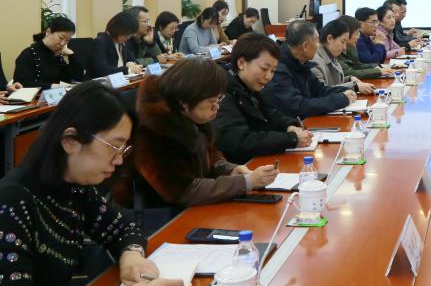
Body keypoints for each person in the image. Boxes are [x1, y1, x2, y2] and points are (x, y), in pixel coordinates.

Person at [0, 81, 184, 286]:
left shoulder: (75, 185)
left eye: (123, 149)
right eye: (114, 147)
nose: (119, 160)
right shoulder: (12, 201)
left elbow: (123, 228)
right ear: (70, 141)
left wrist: (132, 257)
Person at [132, 57, 278, 206]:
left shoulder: (192, 118)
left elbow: (211, 156)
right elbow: (184, 191)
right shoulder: (152, 133)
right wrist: (246, 182)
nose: (217, 107)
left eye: (218, 99)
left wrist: (231, 171)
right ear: (184, 100)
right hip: (170, 215)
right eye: (211, 101)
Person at [213, 33, 314, 163]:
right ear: (241, 63)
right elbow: (240, 141)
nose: (268, 77)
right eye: (264, 69)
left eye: (272, 71)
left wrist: (289, 126)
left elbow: (271, 114)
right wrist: (291, 139)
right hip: (243, 167)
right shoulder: (221, 93)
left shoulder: (251, 85)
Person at [263, 21, 357, 119]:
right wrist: (342, 99)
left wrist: (347, 90)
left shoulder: (301, 62)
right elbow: (299, 107)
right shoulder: (279, 70)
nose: (319, 45)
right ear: (305, 46)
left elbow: (319, 90)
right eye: (317, 41)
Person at [13, 15, 86, 87]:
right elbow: (22, 83)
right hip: (36, 95)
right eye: (61, 37)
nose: (63, 43)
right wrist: (52, 86)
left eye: (67, 40)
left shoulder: (57, 55)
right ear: (48, 32)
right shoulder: (28, 54)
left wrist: (71, 55)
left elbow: (77, 78)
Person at [310, 18, 376, 94]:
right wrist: (354, 86)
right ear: (330, 38)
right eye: (342, 42)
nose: (344, 47)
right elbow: (322, 91)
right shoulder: (315, 61)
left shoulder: (330, 54)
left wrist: (350, 79)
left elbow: (333, 82)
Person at [92, 11, 143, 78]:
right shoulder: (100, 42)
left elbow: (131, 58)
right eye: (128, 34)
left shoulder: (121, 42)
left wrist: (131, 64)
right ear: (118, 29)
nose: (129, 37)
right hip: (100, 83)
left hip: (121, 81)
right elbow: (103, 70)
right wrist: (128, 70)